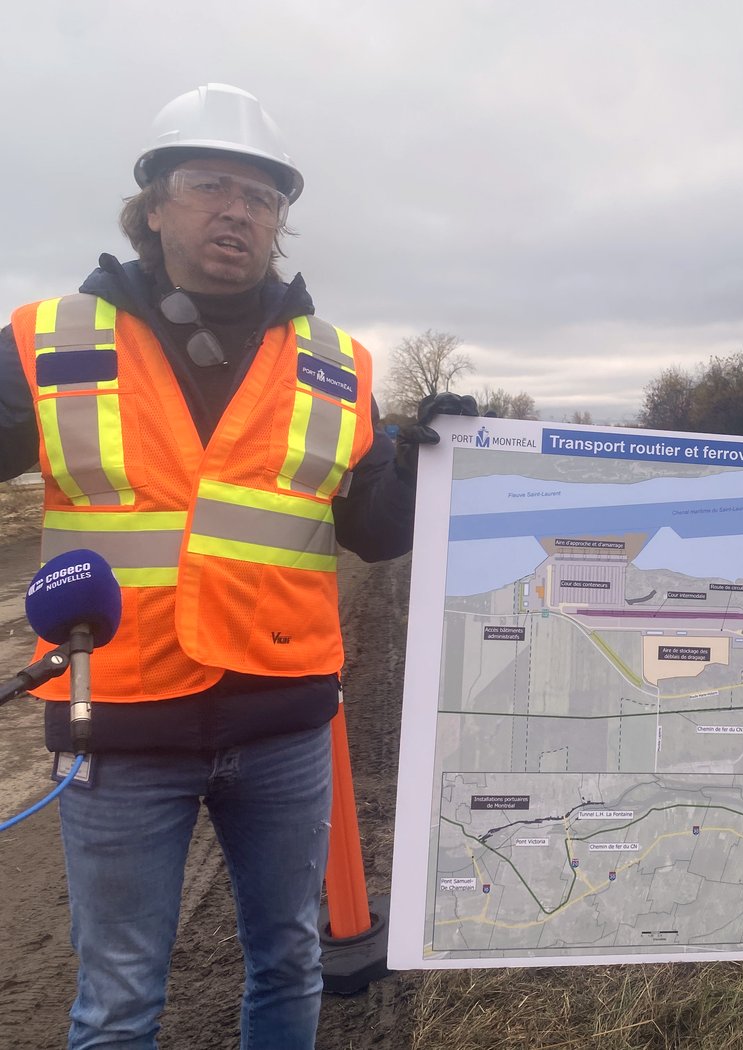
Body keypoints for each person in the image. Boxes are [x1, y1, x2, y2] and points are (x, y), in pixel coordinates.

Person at [0, 84, 472, 1049]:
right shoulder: (50, 340)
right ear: (153, 207)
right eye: (209, 184)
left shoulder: (336, 363)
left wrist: (428, 465)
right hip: (121, 723)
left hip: (283, 724)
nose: (238, 210)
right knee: (119, 998)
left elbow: (374, 535)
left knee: (290, 960)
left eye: (262, 196)